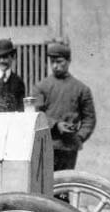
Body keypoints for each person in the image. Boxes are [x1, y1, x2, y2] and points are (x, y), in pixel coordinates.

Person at [31, 41, 97, 171]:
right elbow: (35, 114)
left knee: (65, 184)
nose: (55, 66)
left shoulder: (81, 89)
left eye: (59, 61)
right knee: (46, 187)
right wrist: (56, 125)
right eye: (52, 62)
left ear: (68, 61)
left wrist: (79, 137)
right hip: (47, 144)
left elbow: (90, 119)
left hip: (69, 148)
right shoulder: (41, 87)